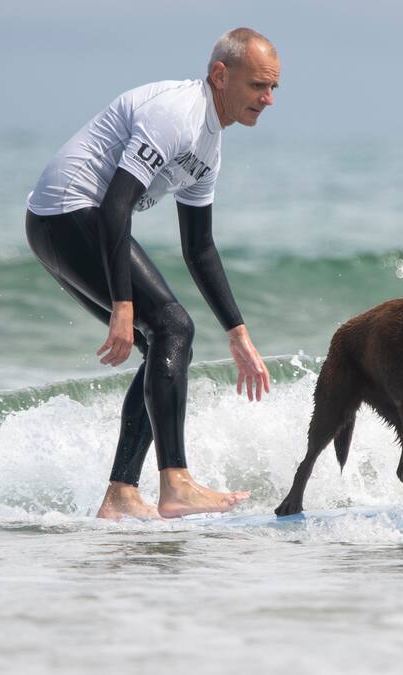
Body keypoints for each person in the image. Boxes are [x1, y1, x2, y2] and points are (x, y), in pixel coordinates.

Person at [24, 27, 279, 519]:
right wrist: (123, 305)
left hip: (66, 223)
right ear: (220, 75)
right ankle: (176, 482)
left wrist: (239, 334)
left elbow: (199, 248)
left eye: (273, 88)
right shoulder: (177, 114)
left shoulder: (209, 146)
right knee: (173, 325)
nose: (268, 99)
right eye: (257, 85)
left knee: (163, 339)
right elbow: (116, 206)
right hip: (67, 213)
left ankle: (121, 494)